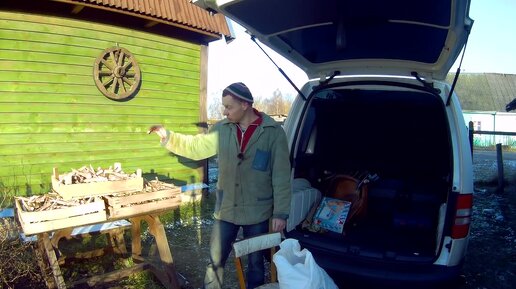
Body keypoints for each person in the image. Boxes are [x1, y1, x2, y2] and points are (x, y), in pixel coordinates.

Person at [148, 82, 291, 289]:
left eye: (228, 107)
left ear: (245, 104)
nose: (224, 111)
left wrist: (280, 213)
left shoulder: (272, 132)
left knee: (256, 265)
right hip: (226, 209)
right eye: (223, 106)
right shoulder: (221, 129)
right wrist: (168, 137)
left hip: (258, 210)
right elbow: (196, 147)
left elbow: (281, 175)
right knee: (215, 262)